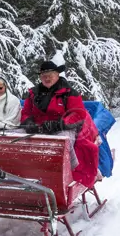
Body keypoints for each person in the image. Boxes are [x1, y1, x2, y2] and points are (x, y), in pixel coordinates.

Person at [20, 50, 101, 188]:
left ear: (57, 75)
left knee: (62, 142)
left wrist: (59, 124)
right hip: (38, 128)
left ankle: (70, 173)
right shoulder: (34, 93)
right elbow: (26, 112)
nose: (47, 78)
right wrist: (28, 123)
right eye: (44, 75)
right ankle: (20, 171)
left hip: (64, 128)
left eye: (50, 75)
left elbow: (78, 114)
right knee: (10, 138)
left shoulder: (69, 92)